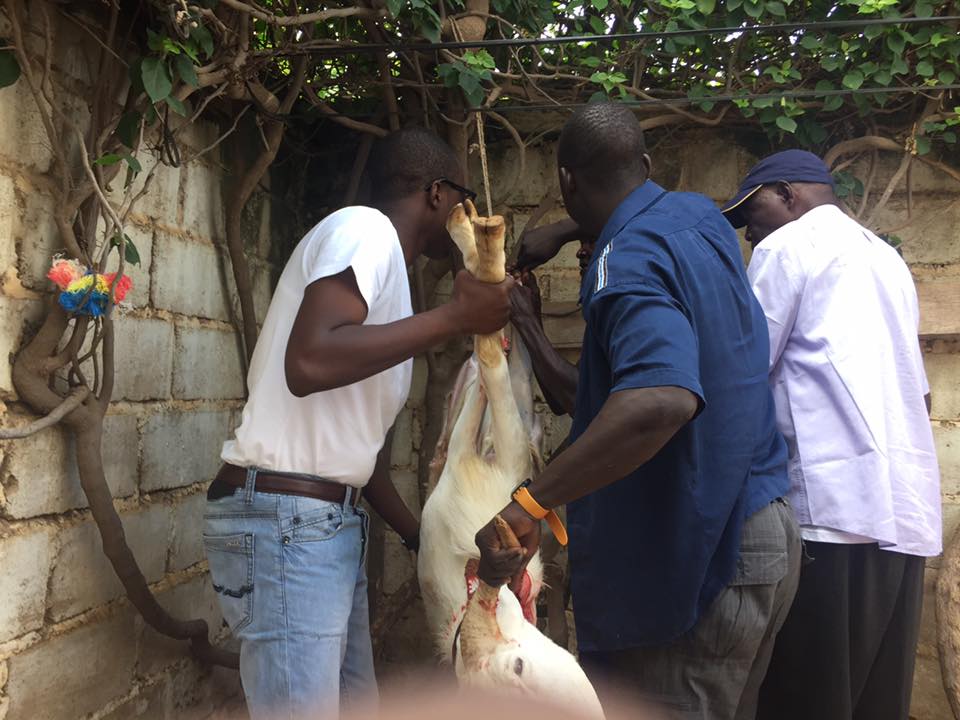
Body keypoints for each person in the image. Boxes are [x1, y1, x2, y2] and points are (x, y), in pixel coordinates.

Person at [474, 101, 801, 720]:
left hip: (700, 554)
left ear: (567, 181)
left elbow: (659, 400)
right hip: (765, 534)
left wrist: (531, 502)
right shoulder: (701, 221)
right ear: (645, 165)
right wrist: (572, 230)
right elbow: (600, 400)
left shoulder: (622, 264)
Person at [203, 127, 514, 720]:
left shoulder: (384, 270)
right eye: (463, 201)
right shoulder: (366, 231)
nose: (466, 218)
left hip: (319, 523)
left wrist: (424, 540)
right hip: (288, 524)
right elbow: (310, 360)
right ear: (435, 195)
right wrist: (456, 316)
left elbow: (352, 451)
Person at [720, 149, 942, 720]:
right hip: (900, 513)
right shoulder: (885, 258)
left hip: (828, 516)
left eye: (753, 213)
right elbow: (918, 390)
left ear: (788, 194)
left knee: (804, 697)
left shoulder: (785, 248)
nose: (751, 233)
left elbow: (745, 369)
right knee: (873, 699)